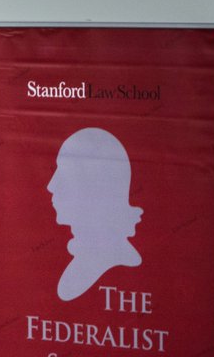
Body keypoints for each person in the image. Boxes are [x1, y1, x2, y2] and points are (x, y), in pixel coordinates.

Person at [46, 127, 143, 301]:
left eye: (64, 172)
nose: (51, 186)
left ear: (92, 187)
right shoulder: (84, 259)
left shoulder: (115, 262)